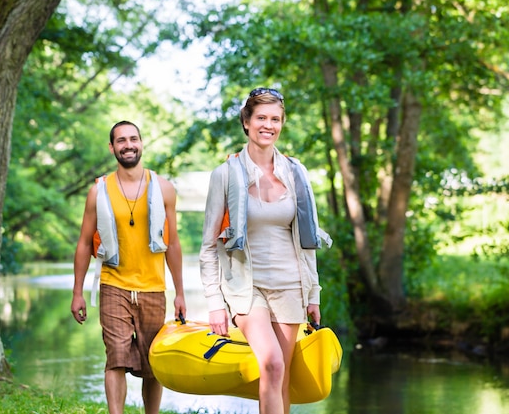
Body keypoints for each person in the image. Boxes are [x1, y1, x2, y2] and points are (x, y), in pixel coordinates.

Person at [199, 88, 330, 414]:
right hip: (246, 286)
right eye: (261, 118)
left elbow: (307, 239)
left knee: (280, 377)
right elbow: (208, 247)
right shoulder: (226, 174)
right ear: (246, 121)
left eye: (275, 119)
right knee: (271, 363)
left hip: (290, 285)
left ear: (282, 124)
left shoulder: (297, 173)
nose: (268, 125)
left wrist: (314, 293)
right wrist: (215, 304)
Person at [71, 120, 186, 414]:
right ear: (112, 148)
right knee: (116, 358)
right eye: (121, 140)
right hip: (114, 284)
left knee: (153, 363)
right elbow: (85, 243)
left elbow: (172, 244)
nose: (128, 145)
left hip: (152, 287)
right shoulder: (99, 191)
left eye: (133, 139)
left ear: (142, 143)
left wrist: (180, 293)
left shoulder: (164, 189)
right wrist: (77, 292)